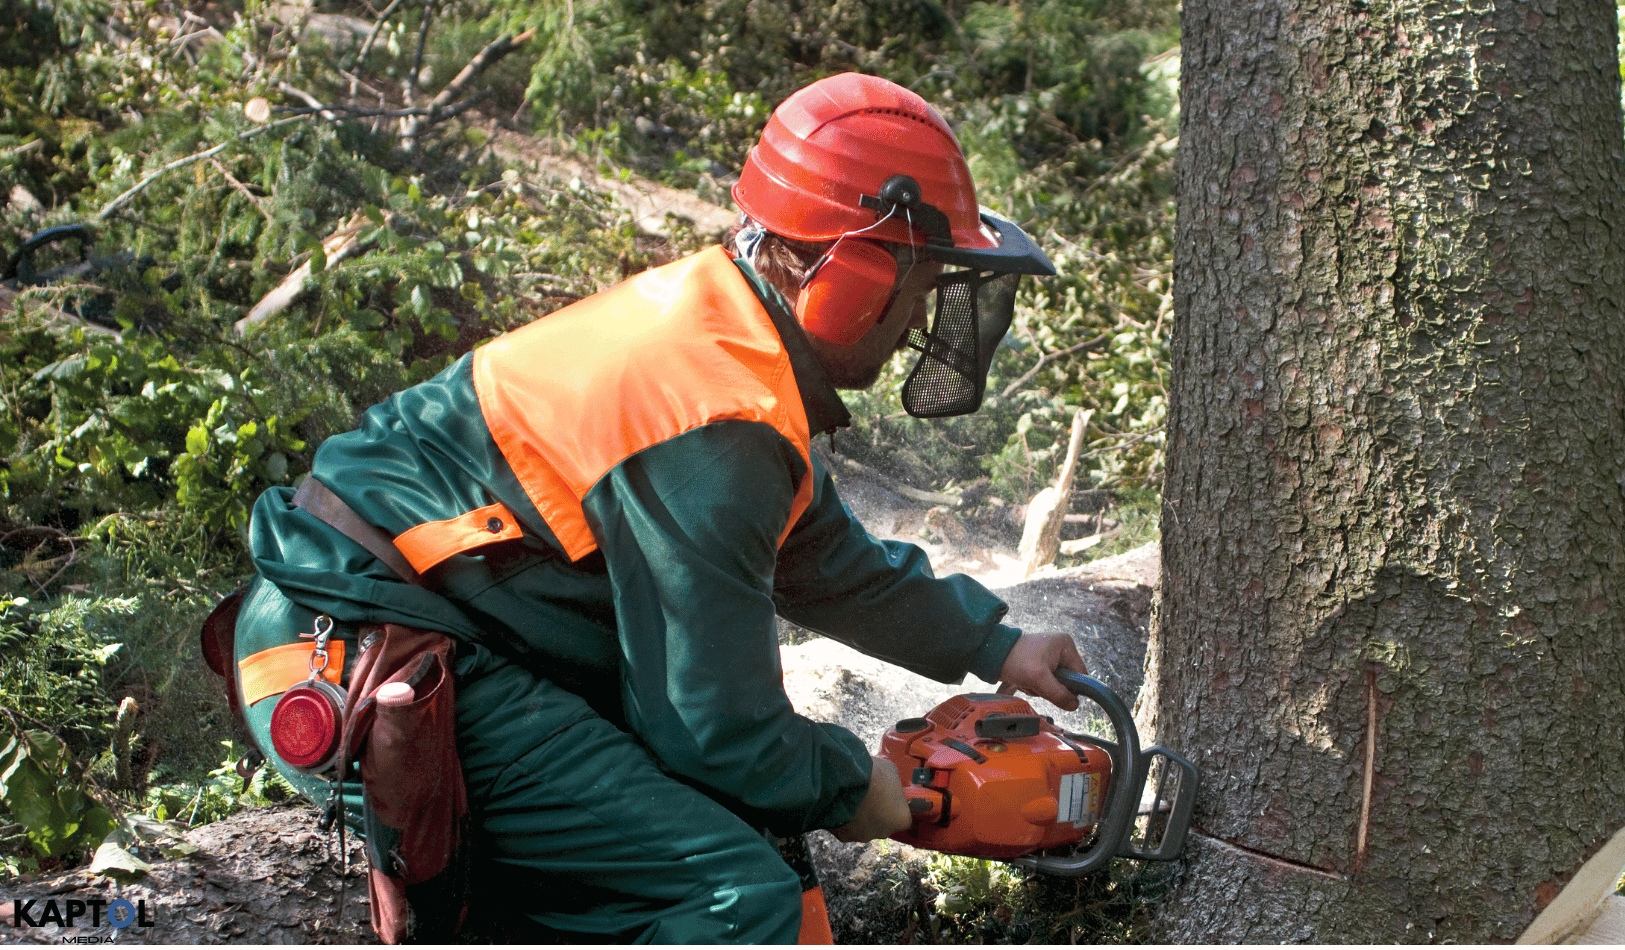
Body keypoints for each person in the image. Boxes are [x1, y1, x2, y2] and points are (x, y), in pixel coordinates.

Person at [224, 71, 1087, 943]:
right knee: (734, 900)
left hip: (426, 625)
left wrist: (997, 645)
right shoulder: (716, 423)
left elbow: (828, 563)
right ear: (854, 275)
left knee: (726, 832)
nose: (913, 326)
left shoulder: (726, 348)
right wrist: (851, 785)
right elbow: (713, 733)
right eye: (921, 287)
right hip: (367, 651)